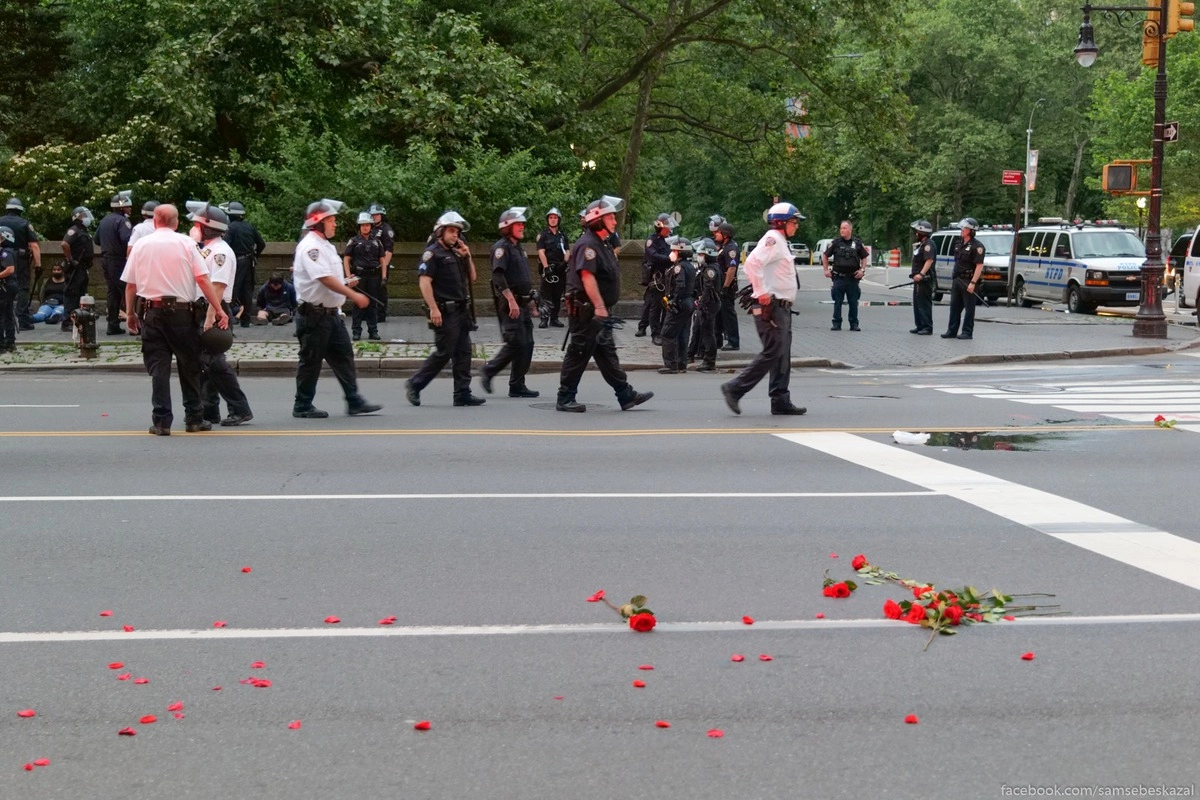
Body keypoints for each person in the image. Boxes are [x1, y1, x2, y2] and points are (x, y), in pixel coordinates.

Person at [121, 204, 230, 435]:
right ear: (176, 222)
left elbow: (130, 285)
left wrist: (130, 314)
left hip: (152, 312)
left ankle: (161, 422)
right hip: (183, 313)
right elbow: (202, 279)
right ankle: (194, 418)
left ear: (155, 221)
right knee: (189, 365)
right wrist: (219, 309)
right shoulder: (187, 244)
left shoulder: (141, 245)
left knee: (158, 369)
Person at [555, 195, 653, 413]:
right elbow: (587, 277)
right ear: (597, 219)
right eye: (610, 217)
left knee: (607, 354)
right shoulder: (588, 244)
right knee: (579, 352)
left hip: (598, 312)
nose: (615, 221)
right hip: (587, 311)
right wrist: (599, 306)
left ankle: (625, 395)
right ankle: (565, 398)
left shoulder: (603, 244)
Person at [292, 199, 383, 418]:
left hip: (331, 315)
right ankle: (302, 405)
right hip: (315, 315)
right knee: (311, 361)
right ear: (318, 222)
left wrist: (345, 282)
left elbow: (331, 277)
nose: (335, 224)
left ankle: (354, 401)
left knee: (344, 356)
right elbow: (323, 278)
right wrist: (353, 295)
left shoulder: (326, 246)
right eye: (331, 220)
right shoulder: (311, 246)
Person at [720, 202, 807, 416]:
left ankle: (780, 400)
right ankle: (734, 388)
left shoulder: (781, 241)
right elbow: (751, 263)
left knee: (781, 354)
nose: (796, 226)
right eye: (793, 222)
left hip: (781, 307)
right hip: (772, 307)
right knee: (773, 351)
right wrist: (762, 293)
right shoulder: (773, 239)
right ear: (780, 222)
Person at [406, 211, 486, 407]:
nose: (455, 235)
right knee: (444, 353)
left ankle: (462, 393)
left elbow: (472, 277)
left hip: (461, 311)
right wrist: (433, 309)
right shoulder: (433, 254)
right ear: (440, 231)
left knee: (464, 352)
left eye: (457, 232)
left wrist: (468, 256)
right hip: (445, 311)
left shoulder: (456, 253)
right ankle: (415, 384)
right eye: (451, 231)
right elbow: (424, 282)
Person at [189, 203, 254, 426]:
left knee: (215, 362)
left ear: (208, 228)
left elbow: (217, 286)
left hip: (215, 310)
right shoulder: (205, 249)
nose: (193, 228)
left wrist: (210, 318)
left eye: (197, 224)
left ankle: (240, 408)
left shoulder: (221, 252)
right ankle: (209, 410)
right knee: (205, 364)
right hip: (203, 308)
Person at [480, 207, 539, 398]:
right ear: (507, 227)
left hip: (523, 304)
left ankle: (517, 384)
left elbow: (523, 279)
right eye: (518, 224)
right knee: (515, 343)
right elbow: (498, 276)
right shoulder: (501, 248)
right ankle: (489, 371)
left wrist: (532, 303)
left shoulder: (518, 248)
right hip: (511, 304)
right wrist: (512, 301)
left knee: (527, 343)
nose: (522, 227)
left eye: (523, 223)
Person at [0, 197, 42, 331]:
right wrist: (38, 265)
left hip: (2, 257)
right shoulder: (24, 224)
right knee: (23, 287)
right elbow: (34, 246)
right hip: (20, 259)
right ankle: (23, 320)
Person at [343, 211, 386, 341]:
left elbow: (382, 260)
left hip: (374, 276)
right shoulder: (354, 241)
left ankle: (373, 331)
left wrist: (383, 277)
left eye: (367, 225)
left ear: (371, 226)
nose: (365, 227)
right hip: (359, 275)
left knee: (372, 305)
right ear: (359, 227)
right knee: (358, 304)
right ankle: (356, 331)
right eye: (362, 225)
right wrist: (348, 276)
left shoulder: (377, 242)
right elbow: (346, 259)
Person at [941, 217, 986, 340]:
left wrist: (973, 283)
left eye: (964, 228)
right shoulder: (958, 243)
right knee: (954, 306)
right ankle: (952, 330)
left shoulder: (977, 246)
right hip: (957, 279)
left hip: (968, 280)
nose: (962, 230)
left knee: (969, 308)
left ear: (971, 231)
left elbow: (979, 266)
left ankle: (967, 332)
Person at [224, 201, 267, 328]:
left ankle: (228, 318)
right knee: (247, 291)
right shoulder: (250, 227)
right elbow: (262, 244)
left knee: (233, 289)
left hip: (237, 261)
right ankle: (245, 320)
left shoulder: (231, 228)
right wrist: (255, 256)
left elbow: (225, 245)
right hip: (249, 262)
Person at [96, 192, 133, 335]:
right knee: (128, 290)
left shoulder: (105, 220)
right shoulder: (123, 221)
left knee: (112, 292)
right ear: (121, 208)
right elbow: (127, 239)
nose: (130, 209)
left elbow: (97, 240)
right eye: (128, 207)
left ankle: (112, 324)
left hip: (106, 258)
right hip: (118, 259)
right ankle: (135, 322)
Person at [822, 220, 869, 331]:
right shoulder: (836, 243)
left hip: (852, 278)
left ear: (850, 230)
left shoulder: (857, 243)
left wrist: (862, 270)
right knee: (837, 301)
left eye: (844, 228)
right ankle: (836, 323)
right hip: (839, 277)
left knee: (853, 302)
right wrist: (825, 270)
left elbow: (864, 257)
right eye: (841, 228)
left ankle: (854, 323)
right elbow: (825, 255)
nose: (842, 230)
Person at [636, 213, 675, 344]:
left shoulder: (669, 240)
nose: (669, 230)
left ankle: (661, 329)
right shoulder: (652, 241)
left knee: (665, 305)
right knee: (655, 305)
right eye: (667, 228)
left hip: (668, 276)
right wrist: (669, 259)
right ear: (659, 227)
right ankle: (655, 333)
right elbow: (653, 256)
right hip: (656, 276)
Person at [659, 235, 696, 374]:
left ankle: (670, 365)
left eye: (674, 251)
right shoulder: (690, 266)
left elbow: (680, 286)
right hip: (688, 303)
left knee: (668, 333)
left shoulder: (679, 268)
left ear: (679, 252)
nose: (671, 253)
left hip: (679, 303)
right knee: (682, 333)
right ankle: (681, 363)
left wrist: (673, 301)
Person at [60, 206, 94, 331]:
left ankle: (78, 320)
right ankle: (67, 322)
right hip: (75, 268)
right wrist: (70, 259)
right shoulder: (74, 230)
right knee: (71, 294)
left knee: (81, 294)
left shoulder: (83, 231)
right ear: (78, 217)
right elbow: (64, 244)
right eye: (84, 216)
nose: (87, 218)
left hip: (83, 268)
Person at [536, 207, 569, 328]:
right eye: (551, 218)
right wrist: (546, 268)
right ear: (547, 220)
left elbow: (567, 250)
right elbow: (541, 252)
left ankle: (554, 318)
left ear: (558, 220)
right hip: (548, 268)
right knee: (546, 295)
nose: (553, 220)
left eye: (555, 218)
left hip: (560, 268)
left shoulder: (562, 236)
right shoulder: (543, 235)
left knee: (557, 294)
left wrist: (565, 262)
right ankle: (544, 319)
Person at [692, 237, 722, 372]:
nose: (699, 257)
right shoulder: (709, 267)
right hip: (708, 303)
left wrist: (702, 304)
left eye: (701, 254)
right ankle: (696, 354)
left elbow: (707, 289)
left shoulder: (710, 270)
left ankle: (709, 361)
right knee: (700, 330)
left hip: (709, 304)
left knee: (708, 333)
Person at [713, 221, 741, 351]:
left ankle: (733, 341)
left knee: (728, 313)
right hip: (719, 285)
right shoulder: (723, 247)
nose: (716, 235)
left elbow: (731, 269)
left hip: (726, 286)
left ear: (725, 234)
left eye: (718, 233)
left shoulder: (731, 249)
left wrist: (725, 287)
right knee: (718, 314)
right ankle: (717, 340)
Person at [909, 219, 936, 335]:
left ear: (922, 232)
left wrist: (921, 274)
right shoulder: (922, 245)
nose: (916, 234)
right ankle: (919, 325)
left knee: (924, 303)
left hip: (924, 280)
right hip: (918, 280)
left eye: (917, 232)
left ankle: (927, 327)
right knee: (917, 303)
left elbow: (929, 260)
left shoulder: (928, 245)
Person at [367, 203, 394, 322]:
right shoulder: (369, 228)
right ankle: (369, 314)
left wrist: (384, 267)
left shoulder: (386, 230)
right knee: (369, 288)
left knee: (380, 290)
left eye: (377, 215)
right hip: (370, 265)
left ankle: (381, 315)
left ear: (382, 215)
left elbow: (389, 250)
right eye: (372, 215)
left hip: (381, 265)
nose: (374, 217)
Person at [0, 227, 16, 352]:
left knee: (3, 315)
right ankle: (9, 342)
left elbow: (10, 269)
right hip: (7, 285)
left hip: (6, 286)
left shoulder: (6, 252)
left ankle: (3, 343)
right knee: (8, 314)